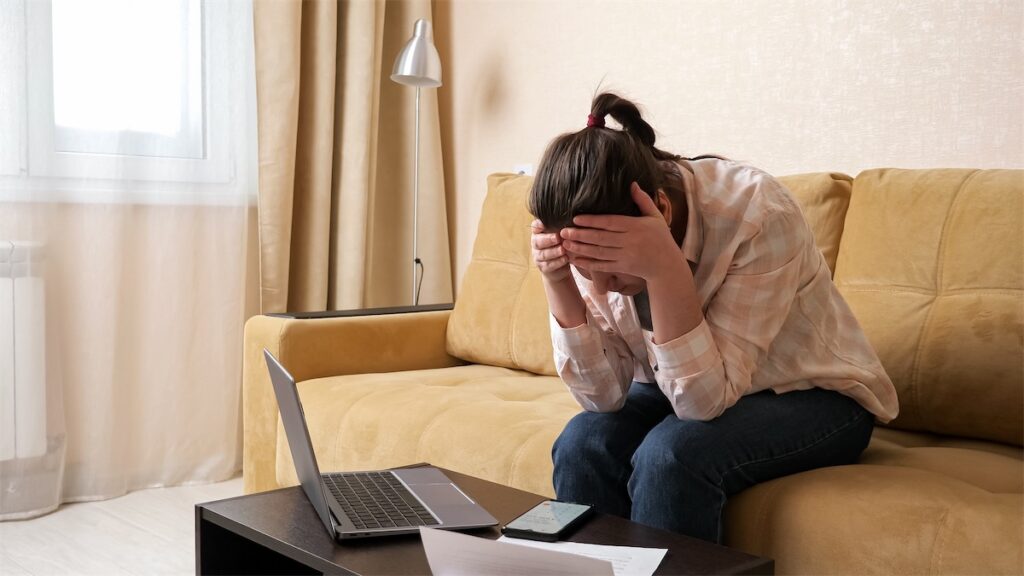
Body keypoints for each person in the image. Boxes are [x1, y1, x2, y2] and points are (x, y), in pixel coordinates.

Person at [529, 92, 899, 544]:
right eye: (587, 272)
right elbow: (602, 397)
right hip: (684, 386)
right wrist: (560, 281)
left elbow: (701, 404)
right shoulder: (590, 226)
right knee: (582, 442)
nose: (601, 288)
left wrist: (663, 268)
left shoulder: (756, 212)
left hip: (815, 395)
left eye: (607, 271)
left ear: (659, 211)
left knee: (672, 456)